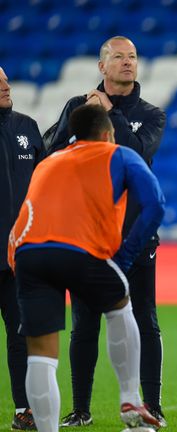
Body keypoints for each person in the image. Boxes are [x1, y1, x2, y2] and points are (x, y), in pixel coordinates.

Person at [8, 103, 165, 432]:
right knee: (120, 304)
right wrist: (123, 258)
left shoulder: (49, 161)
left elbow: (24, 217)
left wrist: (22, 268)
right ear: (108, 133)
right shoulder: (118, 155)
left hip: (29, 255)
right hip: (79, 250)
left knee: (41, 352)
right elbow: (154, 204)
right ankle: (130, 400)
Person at [47, 36, 168, 427]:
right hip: (86, 235)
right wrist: (83, 115)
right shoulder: (76, 106)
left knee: (145, 319)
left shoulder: (152, 114)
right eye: (118, 57)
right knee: (84, 325)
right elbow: (51, 151)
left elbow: (135, 153)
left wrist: (107, 113)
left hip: (134, 237)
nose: (128, 63)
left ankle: (153, 405)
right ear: (102, 66)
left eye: (132, 57)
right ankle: (81, 408)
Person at [0, 66, 43, 430]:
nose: (5, 85)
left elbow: (47, 186)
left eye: (5, 78)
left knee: (21, 337)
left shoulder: (27, 128)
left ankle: (24, 410)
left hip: (18, 259)